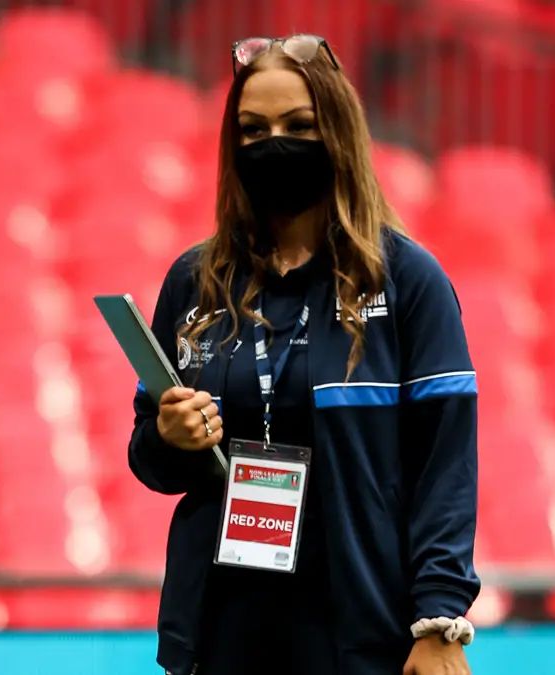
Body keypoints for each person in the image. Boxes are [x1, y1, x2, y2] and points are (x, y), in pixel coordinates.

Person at [128, 35, 479, 675]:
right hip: (221, 633)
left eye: (298, 125)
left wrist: (441, 621)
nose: (274, 143)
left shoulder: (408, 281)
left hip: (363, 635)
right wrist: (170, 438)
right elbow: (150, 461)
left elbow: (445, 464)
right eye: (253, 129)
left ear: (338, 134)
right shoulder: (194, 281)